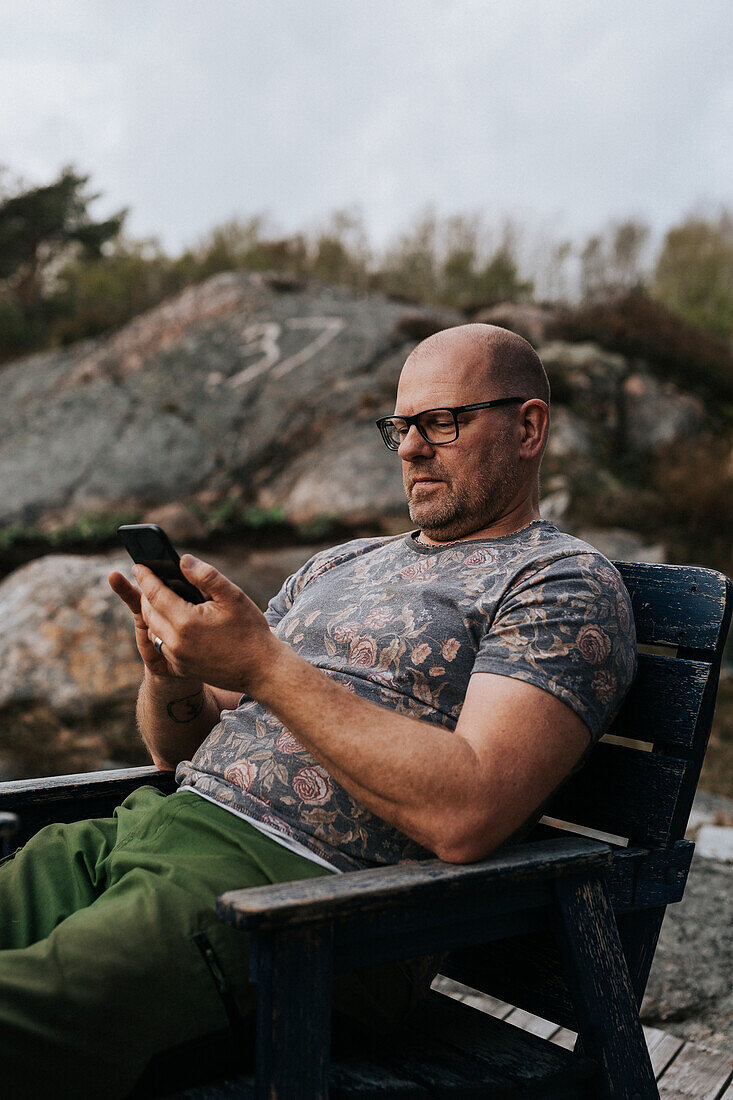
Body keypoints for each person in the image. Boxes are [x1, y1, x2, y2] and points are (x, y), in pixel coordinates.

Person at [0, 324, 636, 1097]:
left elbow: (469, 810)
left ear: (528, 426)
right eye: (400, 428)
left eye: (441, 423)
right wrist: (170, 671)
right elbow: (184, 747)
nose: (409, 450)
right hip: (139, 834)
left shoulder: (559, 583)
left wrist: (265, 664)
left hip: (289, 907)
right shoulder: (340, 563)